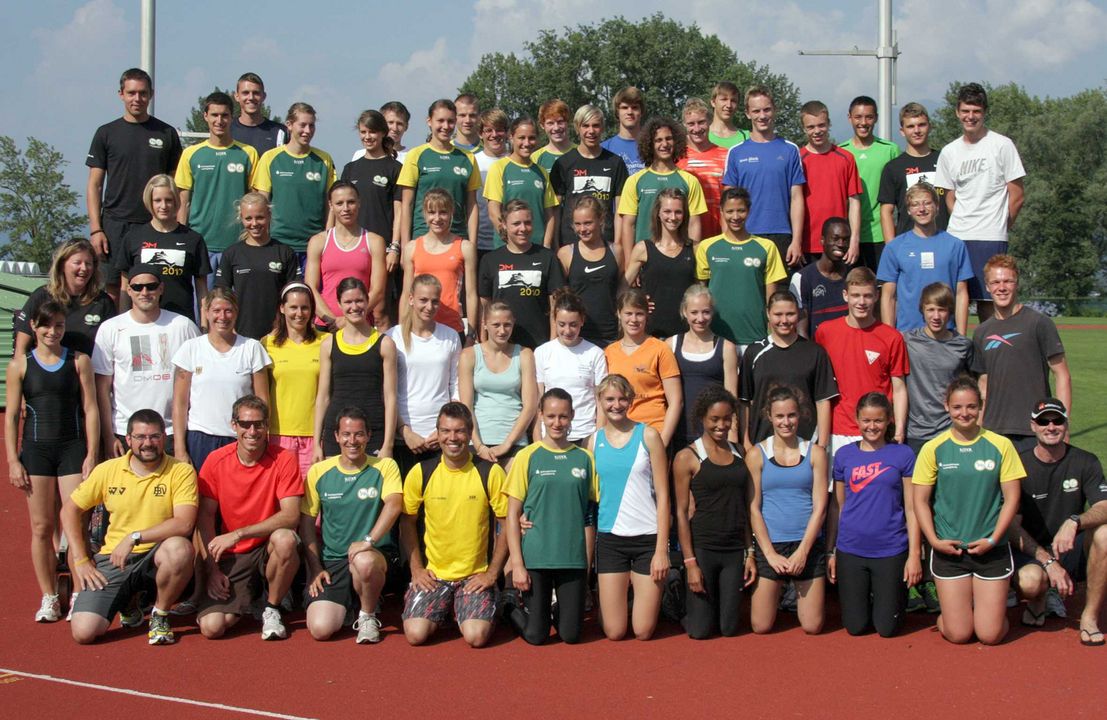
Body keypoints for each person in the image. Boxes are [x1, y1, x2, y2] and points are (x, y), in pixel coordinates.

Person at [59, 409, 197, 645]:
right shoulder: (107, 470)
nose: (148, 443)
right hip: (115, 557)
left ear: (164, 438)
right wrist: (81, 561)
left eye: (154, 436)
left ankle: (160, 614)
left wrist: (135, 537)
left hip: (157, 554)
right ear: (128, 439)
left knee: (180, 549)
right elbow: (69, 510)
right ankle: (129, 602)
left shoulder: (181, 471)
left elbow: (184, 523)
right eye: (141, 437)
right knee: (84, 632)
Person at [912, 376, 1024, 645]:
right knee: (959, 634)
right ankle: (951, 619)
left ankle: (991, 616)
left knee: (990, 635)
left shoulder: (1001, 445)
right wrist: (935, 541)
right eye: (958, 407)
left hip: (990, 548)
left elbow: (1012, 499)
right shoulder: (933, 448)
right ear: (947, 407)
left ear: (981, 406)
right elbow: (920, 501)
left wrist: (994, 539)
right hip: (949, 551)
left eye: (971, 407)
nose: (965, 413)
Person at [6, 301, 99, 622]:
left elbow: (90, 409)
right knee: (42, 527)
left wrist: (90, 454)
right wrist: (12, 460)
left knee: (76, 524)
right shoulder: (20, 365)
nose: (52, 332)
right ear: (33, 326)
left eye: (59, 326)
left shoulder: (79, 361)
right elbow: (12, 415)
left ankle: (77, 594)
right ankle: (49, 597)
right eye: (46, 326)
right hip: (36, 452)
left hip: (72, 450)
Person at [399, 402, 508, 648]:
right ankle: (448, 607)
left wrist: (492, 573)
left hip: (474, 575)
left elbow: (506, 524)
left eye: (459, 431)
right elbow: (407, 522)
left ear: (470, 434)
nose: (452, 437)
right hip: (435, 576)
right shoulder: (421, 472)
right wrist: (416, 569)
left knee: (476, 637)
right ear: (437, 434)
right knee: (416, 635)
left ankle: (473, 606)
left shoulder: (489, 472)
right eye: (446, 431)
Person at [196, 395, 303, 641]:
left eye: (258, 424)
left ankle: (272, 607)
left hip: (267, 547)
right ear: (234, 425)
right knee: (212, 628)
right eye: (245, 424)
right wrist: (212, 569)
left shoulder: (284, 458)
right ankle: (251, 597)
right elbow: (204, 519)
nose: (252, 431)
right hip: (234, 555)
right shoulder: (215, 461)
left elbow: (290, 515)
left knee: (285, 539)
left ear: (267, 426)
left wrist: (239, 533)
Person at [301, 407, 403, 644]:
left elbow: (394, 505)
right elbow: (306, 523)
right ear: (336, 436)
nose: (352, 441)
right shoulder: (319, 471)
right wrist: (315, 567)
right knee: (320, 629)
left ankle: (367, 615)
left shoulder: (385, 466)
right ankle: (350, 605)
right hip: (334, 561)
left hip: (374, 555)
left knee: (364, 561)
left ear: (368, 436)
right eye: (346, 434)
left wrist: (368, 542)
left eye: (359, 434)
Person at [505, 389, 599, 644]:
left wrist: (587, 564)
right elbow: (512, 514)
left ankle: (554, 612)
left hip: (572, 557)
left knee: (571, 635)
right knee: (536, 636)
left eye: (563, 416)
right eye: (551, 416)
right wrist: (517, 565)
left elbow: (589, 516)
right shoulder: (527, 456)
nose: (557, 423)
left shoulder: (585, 458)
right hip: (537, 557)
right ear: (541, 417)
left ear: (572, 417)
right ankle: (510, 607)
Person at [1012, 398, 1107, 645]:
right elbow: (1012, 526)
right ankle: (1040, 596)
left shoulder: (1086, 461)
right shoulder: (1018, 465)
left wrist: (1075, 520)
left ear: (1066, 424)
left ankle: (1089, 617)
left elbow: (1104, 506)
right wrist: (1048, 562)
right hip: (1033, 550)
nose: (1051, 426)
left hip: (1069, 546)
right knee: (1032, 582)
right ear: (1033, 426)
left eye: (1057, 420)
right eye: (1044, 421)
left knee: (1105, 535)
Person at [828, 393, 920, 637]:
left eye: (878, 421)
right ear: (857, 420)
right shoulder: (844, 455)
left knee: (887, 629)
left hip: (890, 550)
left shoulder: (903, 455)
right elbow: (838, 507)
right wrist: (832, 551)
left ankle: (888, 602)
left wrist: (914, 555)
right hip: (851, 549)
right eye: (866, 421)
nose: (872, 427)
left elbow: (911, 509)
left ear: (889, 420)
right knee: (856, 627)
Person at [934, 83, 1026, 322]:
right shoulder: (949, 151)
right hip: (957, 236)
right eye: (965, 110)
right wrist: (962, 218)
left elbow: (1016, 195)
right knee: (952, 300)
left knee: (989, 304)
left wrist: (1001, 225)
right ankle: (957, 353)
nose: (970, 116)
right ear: (957, 112)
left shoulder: (1002, 145)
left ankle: (993, 353)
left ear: (984, 112)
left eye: (975, 111)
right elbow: (948, 195)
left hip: (991, 236)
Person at [590, 375, 671, 640]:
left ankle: (648, 598)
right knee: (615, 632)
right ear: (600, 401)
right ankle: (613, 603)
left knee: (643, 631)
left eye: (622, 398)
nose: (616, 405)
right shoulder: (593, 441)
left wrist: (661, 550)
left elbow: (663, 496)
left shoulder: (648, 435)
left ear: (631, 400)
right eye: (610, 399)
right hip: (610, 540)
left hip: (647, 540)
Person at [673, 386, 756, 638]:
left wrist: (749, 552)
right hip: (703, 549)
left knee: (730, 629)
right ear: (702, 418)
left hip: (733, 550)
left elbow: (747, 505)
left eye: (727, 418)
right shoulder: (687, 457)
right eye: (715, 419)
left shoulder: (741, 453)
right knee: (700, 632)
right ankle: (674, 602)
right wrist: (690, 564)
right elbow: (681, 512)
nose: (722, 424)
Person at [93, 265, 200, 458]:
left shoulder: (183, 326)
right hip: (126, 434)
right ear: (129, 290)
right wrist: (108, 437)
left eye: (151, 286)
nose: (144, 292)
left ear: (161, 289)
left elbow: (199, 382)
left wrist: (182, 441)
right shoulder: (110, 329)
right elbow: (102, 389)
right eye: (137, 287)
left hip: (171, 433)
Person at [86, 68, 182, 281]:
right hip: (115, 225)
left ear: (151, 94)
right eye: (131, 93)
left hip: (155, 224)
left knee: (155, 287)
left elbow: (177, 186)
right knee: (113, 289)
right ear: (121, 94)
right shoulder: (106, 133)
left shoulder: (167, 133)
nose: (137, 98)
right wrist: (95, 230)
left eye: (142, 93)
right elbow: (95, 185)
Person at [747, 387, 830, 634]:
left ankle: (792, 592)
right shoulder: (755, 455)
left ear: (800, 415)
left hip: (806, 545)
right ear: (769, 417)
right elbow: (753, 508)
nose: (786, 422)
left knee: (813, 627)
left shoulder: (815, 453)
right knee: (761, 626)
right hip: (771, 545)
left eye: (791, 415)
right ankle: (781, 593)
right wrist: (770, 554)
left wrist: (803, 552)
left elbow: (821, 507)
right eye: (780, 416)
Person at [971, 255, 1070, 453]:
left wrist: (1063, 423)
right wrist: (978, 428)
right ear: (988, 287)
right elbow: (983, 383)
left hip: (1033, 428)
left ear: (1017, 284)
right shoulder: (982, 332)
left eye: (1008, 281)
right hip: (993, 430)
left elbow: (1062, 374)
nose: (1002, 287)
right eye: (996, 282)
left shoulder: (1038, 323)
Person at [172, 288, 271, 470]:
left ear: (236, 312)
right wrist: (180, 448)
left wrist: (263, 437)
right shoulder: (190, 348)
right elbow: (180, 403)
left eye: (228, 310)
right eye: (216, 311)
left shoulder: (252, 348)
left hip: (240, 438)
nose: (223, 317)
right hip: (200, 439)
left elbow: (262, 400)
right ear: (207, 312)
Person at [815, 267, 909, 455]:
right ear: (845, 295)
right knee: (839, 485)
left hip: (879, 430)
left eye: (867, 296)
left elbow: (898, 388)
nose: (861, 302)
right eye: (856, 295)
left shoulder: (892, 337)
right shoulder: (825, 332)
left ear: (876, 296)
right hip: (838, 430)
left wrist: (899, 429)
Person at [741, 290, 838, 449]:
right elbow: (745, 402)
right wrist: (746, 442)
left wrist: (822, 445)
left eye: (790, 314)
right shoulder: (753, 353)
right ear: (768, 313)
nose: (784, 320)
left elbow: (823, 401)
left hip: (806, 444)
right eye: (778, 314)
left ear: (798, 314)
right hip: (763, 444)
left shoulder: (815, 352)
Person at [175, 90, 258, 275]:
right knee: (203, 302)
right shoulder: (191, 154)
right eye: (214, 115)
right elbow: (183, 201)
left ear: (232, 116)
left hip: (238, 243)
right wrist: (181, 238)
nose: (219, 121)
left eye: (224, 115)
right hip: (201, 242)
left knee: (236, 302)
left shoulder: (248, 153)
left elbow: (255, 199)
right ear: (205, 116)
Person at [722, 85, 805, 267]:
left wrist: (796, 241)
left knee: (779, 295)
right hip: (745, 234)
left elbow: (797, 198)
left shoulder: (790, 150)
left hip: (782, 235)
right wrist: (728, 240)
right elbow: (728, 203)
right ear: (747, 113)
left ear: (774, 110)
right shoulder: (736, 153)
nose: (762, 116)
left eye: (767, 109)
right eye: (756, 111)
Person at [314, 278, 397, 460]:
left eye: (359, 300)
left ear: (367, 301)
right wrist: (316, 445)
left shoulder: (385, 344)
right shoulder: (329, 344)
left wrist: (388, 445)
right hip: (336, 433)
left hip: (373, 432)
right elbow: (323, 396)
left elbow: (390, 397)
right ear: (339, 304)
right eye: (348, 302)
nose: (354, 307)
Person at [695, 187, 788, 348]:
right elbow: (701, 293)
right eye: (730, 211)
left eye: (741, 211)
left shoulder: (766, 247)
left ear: (749, 211)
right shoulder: (707, 247)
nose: (736, 217)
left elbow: (771, 298)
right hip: (716, 336)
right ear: (722, 212)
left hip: (755, 336)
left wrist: (771, 330)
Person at [387, 275, 461, 471]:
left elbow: (456, 386)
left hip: (440, 438)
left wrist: (446, 430)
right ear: (411, 299)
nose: (429, 306)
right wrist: (404, 431)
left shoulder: (450, 336)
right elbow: (387, 392)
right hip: (404, 439)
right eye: (423, 300)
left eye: (435, 301)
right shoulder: (392, 337)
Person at [878, 183, 973, 333]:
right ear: (908, 210)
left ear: (937, 207)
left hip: (946, 333)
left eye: (927, 203)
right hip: (908, 334)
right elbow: (888, 297)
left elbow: (961, 293)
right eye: (915, 204)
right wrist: (890, 338)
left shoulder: (955, 245)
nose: (922, 209)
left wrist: (961, 337)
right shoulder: (894, 248)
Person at [115, 175, 210, 322]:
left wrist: (204, 325)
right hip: (143, 322)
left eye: (168, 200)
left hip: (181, 321)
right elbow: (124, 286)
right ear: (149, 202)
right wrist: (123, 323)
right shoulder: (133, 237)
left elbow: (202, 290)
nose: (163, 206)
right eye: (157, 200)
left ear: (176, 202)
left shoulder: (193, 239)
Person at [251, 102, 336, 257]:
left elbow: (330, 203)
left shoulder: (324, 160)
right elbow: (262, 202)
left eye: (311, 126)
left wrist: (328, 237)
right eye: (302, 125)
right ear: (289, 125)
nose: (307, 131)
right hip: (278, 243)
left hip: (314, 245)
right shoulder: (270, 158)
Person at [263, 283, 331, 479]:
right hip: (278, 435)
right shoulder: (266, 344)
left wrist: (319, 440)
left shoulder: (327, 341)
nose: (299, 313)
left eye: (305, 307)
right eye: (293, 307)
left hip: (315, 436)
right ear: (282, 308)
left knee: (311, 505)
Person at [212, 192, 301, 339]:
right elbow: (222, 296)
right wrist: (231, 329)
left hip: (277, 335)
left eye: (260, 217)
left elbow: (293, 297)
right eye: (248, 218)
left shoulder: (285, 253)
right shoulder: (231, 253)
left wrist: (282, 328)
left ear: (269, 215)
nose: (254, 223)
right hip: (241, 335)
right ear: (241, 218)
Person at [459, 302, 537, 468]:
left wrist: (507, 444)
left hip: (515, 442)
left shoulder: (524, 354)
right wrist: (479, 445)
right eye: (496, 325)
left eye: (507, 325)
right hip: (478, 442)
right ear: (485, 324)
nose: (502, 331)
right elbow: (466, 406)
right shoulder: (469, 355)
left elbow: (530, 406)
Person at [478, 200, 565, 349]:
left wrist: (552, 344)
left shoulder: (547, 257)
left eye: (528, 222)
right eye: (516, 223)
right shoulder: (490, 260)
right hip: (502, 345)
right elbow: (484, 307)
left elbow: (555, 307)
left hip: (539, 344)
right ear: (504, 224)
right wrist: (484, 343)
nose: (523, 228)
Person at [398, 99, 481, 250]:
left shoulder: (467, 158)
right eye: (440, 121)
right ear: (429, 121)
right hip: (422, 238)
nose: (445, 126)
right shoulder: (416, 155)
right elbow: (407, 204)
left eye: (450, 121)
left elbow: (471, 205)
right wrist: (405, 246)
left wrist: (472, 244)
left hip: (457, 239)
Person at [618, 116, 707, 257]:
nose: (664, 144)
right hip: (645, 259)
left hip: (679, 259)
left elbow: (694, 224)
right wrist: (630, 262)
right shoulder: (634, 181)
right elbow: (629, 225)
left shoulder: (690, 181)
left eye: (668, 138)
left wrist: (693, 259)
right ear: (649, 144)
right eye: (658, 140)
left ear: (676, 141)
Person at [604, 289, 682, 446]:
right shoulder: (608, 352)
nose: (634, 319)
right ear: (619, 314)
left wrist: (663, 441)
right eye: (628, 313)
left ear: (647, 315)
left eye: (639, 313)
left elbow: (676, 401)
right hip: (619, 435)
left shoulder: (660, 348)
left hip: (653, 432)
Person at [13, 239, 116, 357]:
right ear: (62, 265)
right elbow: (20, 350)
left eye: (88, 263)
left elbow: (112, 349)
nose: (84, 268)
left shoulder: (103, 302)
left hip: (88, 372)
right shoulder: (42, 296)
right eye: (77, 262)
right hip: (46, 373)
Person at [304, 181, 387, 329]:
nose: (346, 208)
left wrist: (351, 319)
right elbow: (311, 287)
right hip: (326, 326)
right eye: (339, 203)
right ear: (331, 205)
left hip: (361, 325)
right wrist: (332, 321)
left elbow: (378, 291)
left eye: (351, 202)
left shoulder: (375, 241)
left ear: (359, 203)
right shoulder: (318, 241)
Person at [902, 283, 973, 454]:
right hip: (916, 432)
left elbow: (974, 386)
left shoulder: (963, 345)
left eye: (941, 310)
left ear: (949, 312)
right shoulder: (907, 341)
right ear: (922, 310)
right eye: (930, 309)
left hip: (951, 430)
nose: (936, 316)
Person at [533, 289, 608, 445]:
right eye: (562, 324)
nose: (567, 331)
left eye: (573, 325)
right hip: (550, 436)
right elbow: (537, 399)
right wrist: (537, 436)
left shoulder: (595, 353)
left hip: (585, 435)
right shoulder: (541, 352)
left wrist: (598, 437)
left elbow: (601, 400)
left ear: (582, 321)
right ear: (554, 320)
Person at [668, 285, 740, 446]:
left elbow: (731, 396)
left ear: (712, 313)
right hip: (680, 432)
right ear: (684, 312)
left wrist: (733, 435)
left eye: (705, 312)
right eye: (694, 312)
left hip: (715, 434)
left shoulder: (726, 347)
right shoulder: (671, 345)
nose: (700, 318)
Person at [550, 104, 629, 248]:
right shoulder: (563, 163)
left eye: (596, 126)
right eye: (585, 126)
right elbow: (555, 210)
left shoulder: (615, 163)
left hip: (605, 242)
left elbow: (620, 211)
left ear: (602, 128)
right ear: (577, 128)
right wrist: (555, 244)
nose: (591, 131)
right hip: (571, 242)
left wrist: (617, 244)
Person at [400, 188, 477, 336]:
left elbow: (471, 295)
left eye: (443, 212)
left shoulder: (465, 247)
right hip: (418, 330)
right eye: (431, 212)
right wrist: (403, 329)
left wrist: (471, 335)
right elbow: (406, 294)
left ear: (451, 213)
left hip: (452, 328)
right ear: (424, 214)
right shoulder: (412, 248)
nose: (437, 218)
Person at [624, 188, 697, 339]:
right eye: (667, 211)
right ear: (658, 213)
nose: (673, 217)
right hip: (652, 333)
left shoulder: (695, 248)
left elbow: (702, 289)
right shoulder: (643, 248)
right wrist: (637, 302)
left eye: (678, 212)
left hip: (686, 334)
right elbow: (622, 288)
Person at [840, 96, 900, 271]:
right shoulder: (842, 152)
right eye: (858, 117)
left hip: (882, 234)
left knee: (883, 290)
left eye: (869, 117)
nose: (863, 122)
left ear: (876, 118)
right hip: (850, 237)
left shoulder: (890, 150)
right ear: (849, 118)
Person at [798, 100, 862, 263]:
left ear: (829, 124)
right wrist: (795, 241)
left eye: (821, 125)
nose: (817, 131)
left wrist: (854, 240)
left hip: (839, 244)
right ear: (804, 128)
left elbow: (854, 202)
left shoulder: (846, 158)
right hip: (806, 244)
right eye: (811, 127)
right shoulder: (798, 159)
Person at [484, 116, 559, 249]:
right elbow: (493, 211)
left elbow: (550, 215)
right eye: (521, 138)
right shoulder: (499, 168)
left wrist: (546, 245)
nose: (527, 143)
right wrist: (509, 241)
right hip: (508, 248)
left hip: (537, 248)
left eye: (531, 138)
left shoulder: (541, 172)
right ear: (511, 137)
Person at [878, 102, 950, 240]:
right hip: (908, 244)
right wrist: (891, 248)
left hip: (943, 240)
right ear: (902, 131)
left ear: (930, 126)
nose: (916, 130)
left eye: (921, 125)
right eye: (910, 126)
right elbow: (886, 211)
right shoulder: (893, 167)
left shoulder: (945, 160)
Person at [558, 196, 624, 347]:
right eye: (577, 224)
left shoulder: (616, 251)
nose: (582, 229)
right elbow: (559, 298)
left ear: (601, 219)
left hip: (610, 335)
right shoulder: (566, 253)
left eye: (588, 223)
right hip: (577, 336)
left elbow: (622, 289)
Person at [339, 109, 403, 263]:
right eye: (363, 132)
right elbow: (339, 210)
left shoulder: (395, 168)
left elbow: (399, 211)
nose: (367, 137)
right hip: (352, 245)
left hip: (383, 248)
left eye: (372, 132)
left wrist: (394, 247)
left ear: (383, 133)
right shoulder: (350, 168)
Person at [678, 97, 730, 240]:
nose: (697, 128)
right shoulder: (676, 157)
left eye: (701, 122)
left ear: (709, 122)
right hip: (686, 235)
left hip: (719, 232)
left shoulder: (726, 155)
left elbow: (730, 199)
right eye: (691, 124)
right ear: (684, 125)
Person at [789, 217, 850, 338]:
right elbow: (801, 332)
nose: (841, 244)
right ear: (822, 240)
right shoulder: (802, 278)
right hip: (818, 353)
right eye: (835, 238)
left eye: (845, 240)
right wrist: (811, 356)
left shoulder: (853, 275)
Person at [472, 109, 510, 258]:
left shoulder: (515, 162)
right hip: (478, 242)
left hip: (509, 242)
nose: (494, 135)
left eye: (499, 130)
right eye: (489, 130)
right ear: (481, 134)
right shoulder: (472, 162)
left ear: (507, 133)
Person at [231, 72, 287, 155]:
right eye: (245, 93)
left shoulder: (279, 132)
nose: (251, 97)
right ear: (237, 96)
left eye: (256, 93)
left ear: (264, 96)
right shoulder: (227, 130)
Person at [602, 86, 646, 174]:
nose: (630, 112)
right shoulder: (604, 148)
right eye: (625, 107)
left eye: (634, 107)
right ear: (617, 112)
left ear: (641, 112)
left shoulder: (655, 147)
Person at [533, 99, 575, 173]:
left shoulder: (582, 152)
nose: (556, 128)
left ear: (568, 122)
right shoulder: (535, 158)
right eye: (550, 123)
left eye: (560, 122)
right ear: (542, 125)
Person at [707, 81, 750, 149]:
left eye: (733, 101)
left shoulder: (747, 137)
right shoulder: (702, 136)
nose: (729, 105)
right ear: (713, 102)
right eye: (724, 99)